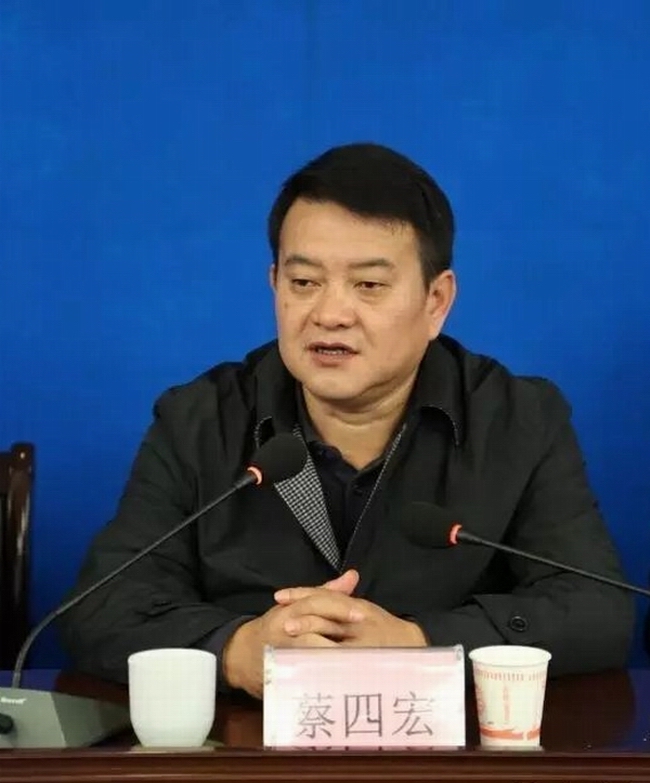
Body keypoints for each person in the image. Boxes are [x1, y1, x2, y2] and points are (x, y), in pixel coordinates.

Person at [59, 142, 634, 699]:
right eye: (304, 283)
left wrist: (419, 644)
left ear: (436, 301)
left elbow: (598, 609)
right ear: (274, 284)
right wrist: (238, 651)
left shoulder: (517, 420)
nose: (330, 314)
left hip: (441, 747)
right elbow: (101, 608)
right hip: (245, 744)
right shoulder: (199, 420)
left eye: (369, 285)